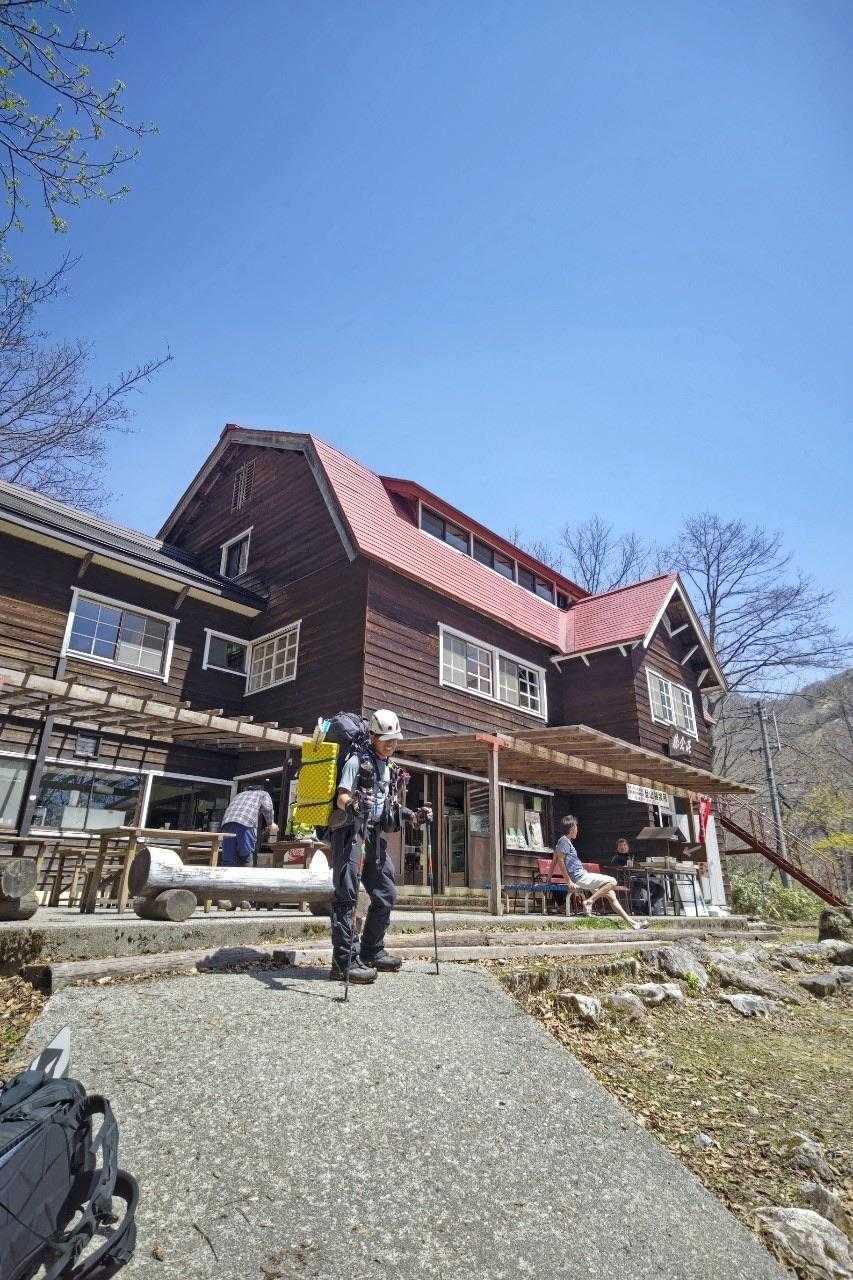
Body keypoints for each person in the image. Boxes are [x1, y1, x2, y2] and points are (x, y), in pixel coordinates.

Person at [329, 709, 431, 984]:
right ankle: (343, 962)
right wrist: (353, 805)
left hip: (373, 833)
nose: (391, 744)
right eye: (386, 739)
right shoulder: (356, 761)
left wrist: (414, 816)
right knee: (347, 894)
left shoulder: (388, 767)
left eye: (395, 739)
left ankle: (371, 951)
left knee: (386, 892)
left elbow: (388, 805)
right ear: (373, 737)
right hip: (350, 831)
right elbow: (342, 797)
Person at [552, 816, 646, 931]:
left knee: (612, 895)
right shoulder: (563, 841)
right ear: (571, 828)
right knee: (612, 881)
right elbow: (560, 861)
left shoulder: (566, 842)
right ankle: (589, 901)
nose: (577, 829)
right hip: (580, 877)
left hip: (582, 876)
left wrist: (548, 877)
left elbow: (554, 860)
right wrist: (569, 882)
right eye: (576, 827)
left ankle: (633, 924)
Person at [219, 787, 278, 867]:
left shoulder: (239, 794)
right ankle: (245, 874)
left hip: (227, 823)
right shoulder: (263, 794)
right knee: (246, 855)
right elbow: (268, 809)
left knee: (228, 858)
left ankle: (226, 874)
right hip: (246, 823)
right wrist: (270, 823)